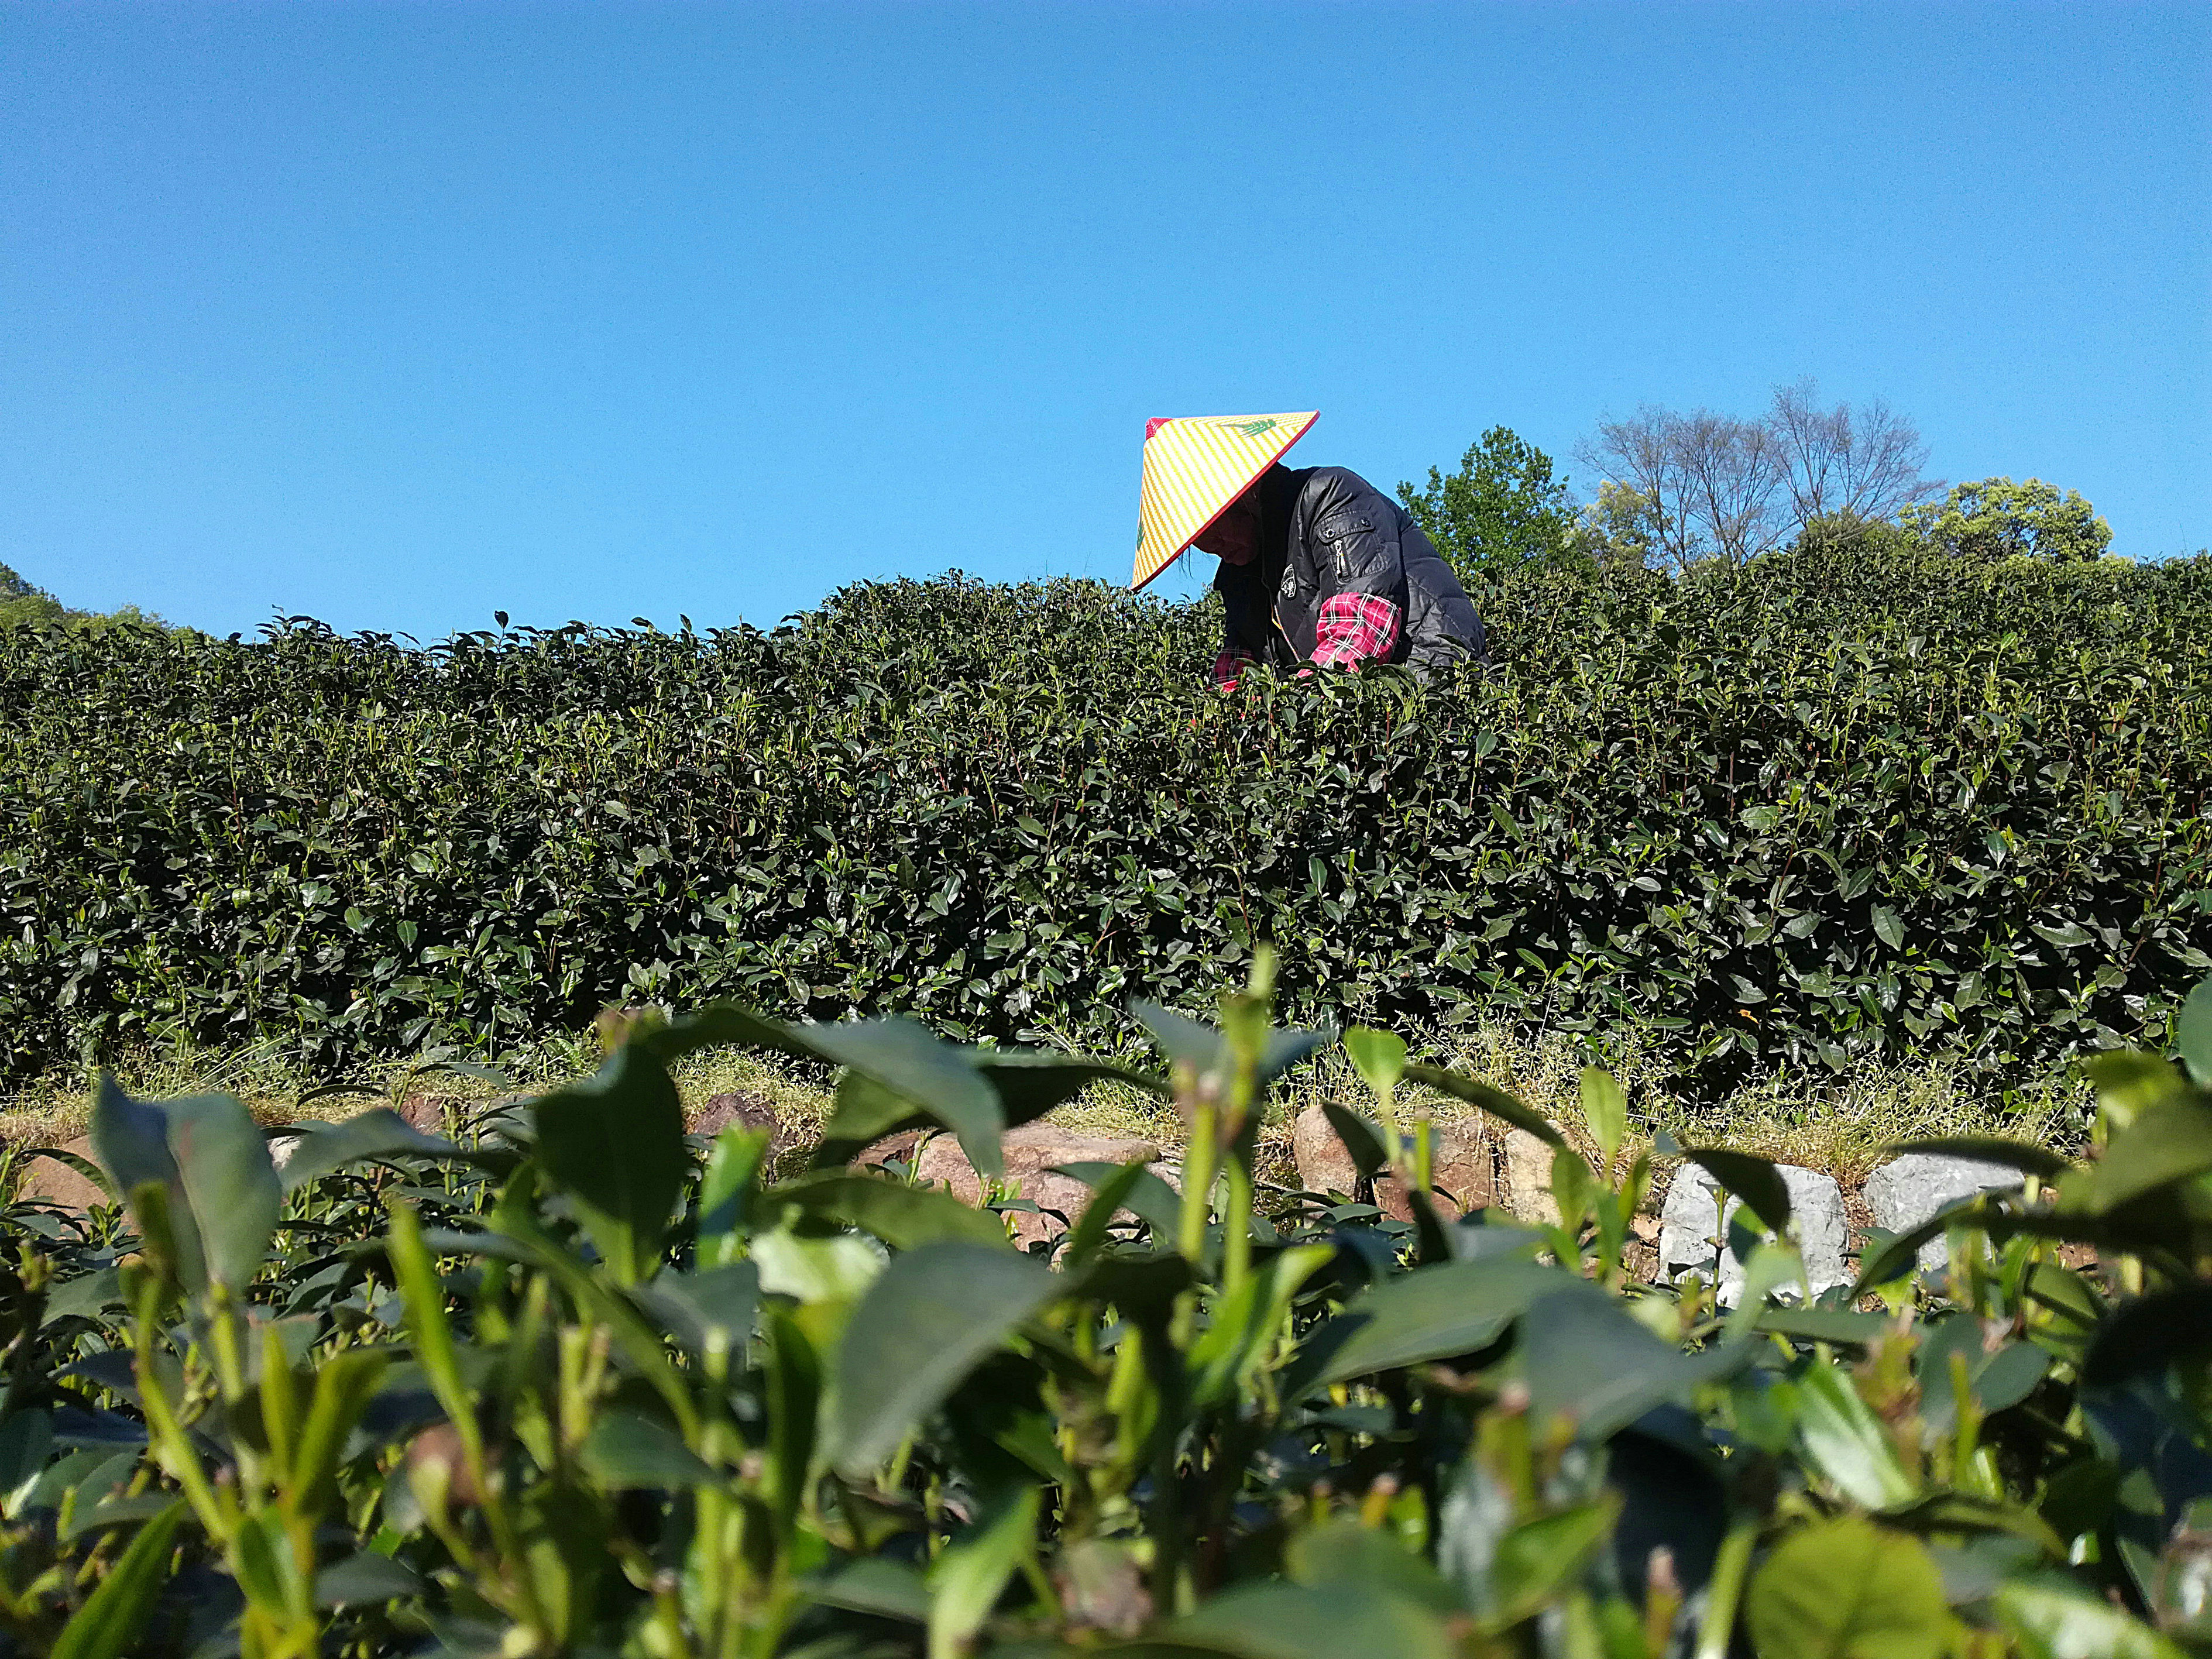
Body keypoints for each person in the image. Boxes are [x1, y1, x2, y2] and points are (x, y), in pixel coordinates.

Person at [1131, 410, 1486, 689]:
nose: (1223, 554)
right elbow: (1236, 672)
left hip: (1431, 675)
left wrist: (1294, 715)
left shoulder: (1331, 497)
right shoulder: (1239, 578)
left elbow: (1359, 632)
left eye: (1222, 538)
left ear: (1244, 498)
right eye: (1207, 549)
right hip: (1361, 707)